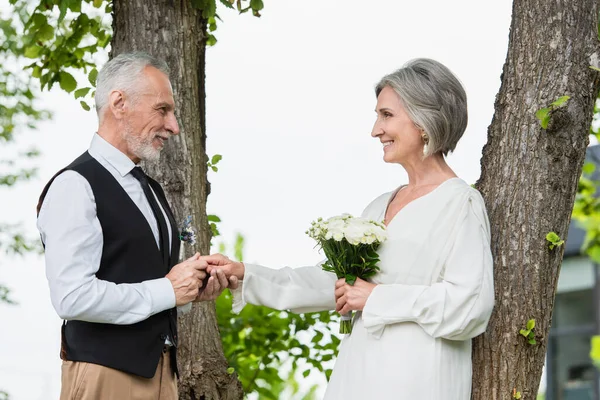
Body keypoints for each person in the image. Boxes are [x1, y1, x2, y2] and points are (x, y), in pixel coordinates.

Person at [202, 58, 495, 399]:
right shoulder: (380, 205)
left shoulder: (460, 204)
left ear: (425, 120)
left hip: (417, 381)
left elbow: (470, 305)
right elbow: (338, 284)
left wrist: (376, 297)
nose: (375, 130)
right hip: (357, 376)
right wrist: (247, 275)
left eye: (386, 115)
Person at [36, 52, 236, 400]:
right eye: (163, 109)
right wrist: (168, 290)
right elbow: (71, 297)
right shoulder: (75, 185)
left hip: (162, 375)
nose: (173, 126)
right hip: (106, 375)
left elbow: (151, 280)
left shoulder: (151, 189)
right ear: (119, 102)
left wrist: (189, 292)